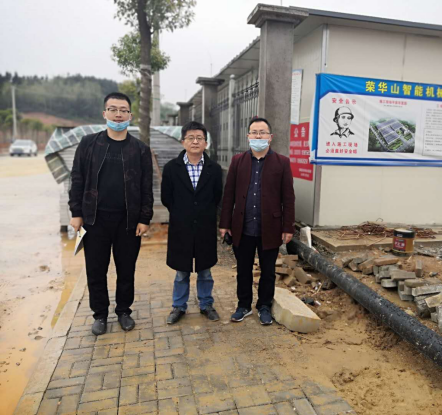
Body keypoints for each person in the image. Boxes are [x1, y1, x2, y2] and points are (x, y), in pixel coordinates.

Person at [68, 92, 153, 336]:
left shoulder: (140, 149)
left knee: (126, 270)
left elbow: (147, 186)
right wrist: (76, 212)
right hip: (94, 220)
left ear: (130, 115)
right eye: (113, 109)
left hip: (128, 221)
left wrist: (144, 218)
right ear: (104, 113)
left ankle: (124, 311)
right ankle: (100, 315)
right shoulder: (89, 144)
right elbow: (77, 178)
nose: (118, 115)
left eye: (123, 110)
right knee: (96, 270)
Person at [219, 117, 295, 325]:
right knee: (243, 269)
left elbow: (288, 198)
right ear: (248, 136)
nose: (258, 136)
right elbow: (229, 195)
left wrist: (288, 227)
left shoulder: (282, 162)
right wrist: (225, 224)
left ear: (270, 137)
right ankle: (243, 305)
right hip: (242, 227)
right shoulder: (238, 161)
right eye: (254, 132)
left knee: (267, 271)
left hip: (270, 227)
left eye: (262, 132)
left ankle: (264, 306)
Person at [161, 121, 222, 324]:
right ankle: (179, 306)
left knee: (205, 270)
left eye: (199, 138)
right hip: (181, 227)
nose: (195, 142)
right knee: (181, 271)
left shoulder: (214, 169)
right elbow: (166, 198)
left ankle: (206, 304)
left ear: (206, 143)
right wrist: (183, 213)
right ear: (183, 141)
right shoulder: (171, 168)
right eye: (191, 138)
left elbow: (217, 196)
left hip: (205, 227)